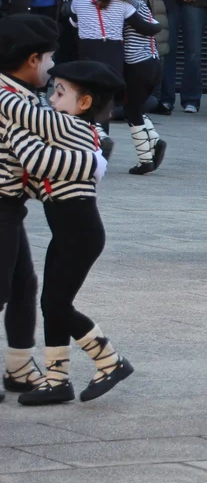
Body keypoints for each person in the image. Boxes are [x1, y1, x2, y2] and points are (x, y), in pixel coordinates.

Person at [1, 58, 131, 405]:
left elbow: (33, 151)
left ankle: (109, 360)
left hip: (80, 234)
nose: (51, 100)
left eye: (59, 94)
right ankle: (57, 380)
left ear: (84, 103)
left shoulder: (69, 126)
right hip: (67, 233)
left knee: (57, 304)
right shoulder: (70, 126)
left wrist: (10, 125)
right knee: (52, 303)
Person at [116, 0, 168, 174]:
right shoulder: (145, 6)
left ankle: (145, 159)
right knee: (135, 107)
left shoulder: (129, 5)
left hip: (137, 64)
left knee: (132, 111)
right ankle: (154, 141)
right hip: (154, 62)